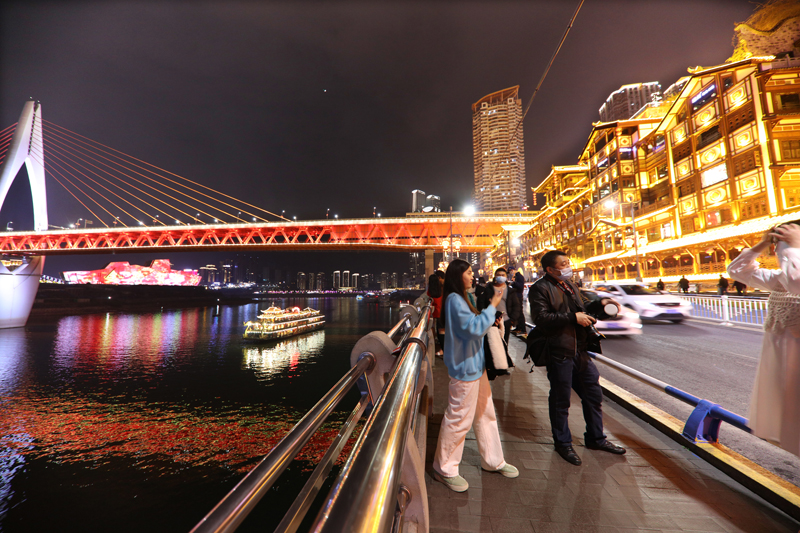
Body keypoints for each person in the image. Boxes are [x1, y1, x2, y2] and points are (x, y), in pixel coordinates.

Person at [528, 250, 626, 466]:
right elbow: (541, 318)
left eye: (568, 262)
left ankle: (596, 438)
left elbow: (582, 311)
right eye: (563, 264)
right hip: (559, 351)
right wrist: (573, 317)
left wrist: (599, 306)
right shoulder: (539, 289)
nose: (568, 266)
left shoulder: (569, 285)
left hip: (580, 351)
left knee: (593, 395)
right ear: (550, 270)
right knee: (561, 400)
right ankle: (563, 443)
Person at [432, 259, 519, 491]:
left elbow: (476, 323)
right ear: (457, 276)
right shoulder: (453, 300)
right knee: (459, 417)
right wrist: (493, 305)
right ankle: (445, 468)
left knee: (485, 413)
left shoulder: (464, 297)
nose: (473, 276)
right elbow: (473, 329)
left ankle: (493, 460)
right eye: (469, 273)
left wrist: (491, 316)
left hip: (475, 364)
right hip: (464, 367)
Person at [727, 222, 800, 457]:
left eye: (784, 244)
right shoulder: (779, 279)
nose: (781, 250)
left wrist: (794, 246)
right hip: (782, 366)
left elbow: (797, 280)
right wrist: (763, 243)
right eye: (780, 245)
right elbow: (737, 270)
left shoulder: (792, 274)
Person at [477, 267, 521, 355]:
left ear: (506, 277)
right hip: (491, 322)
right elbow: (480, 303)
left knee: (504, 343)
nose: (500, 277)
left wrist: (512, 319)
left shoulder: (510, 291)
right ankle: (491, 365)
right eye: (498, 275)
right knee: (491, 345)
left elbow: (516, 306)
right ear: (495, 276)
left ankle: (503, 365)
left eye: (502, 275)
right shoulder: (488, 289)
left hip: (506, 321)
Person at [427, 273, 444, 356]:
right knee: (443, 331)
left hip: (435, 312)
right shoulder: (441, 289)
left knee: (436, 330)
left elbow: (428, 298)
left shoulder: (430, 291)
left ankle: (441, 349)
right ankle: (443, 349)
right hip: (443, 311)